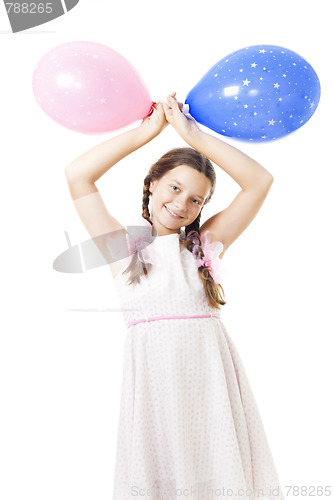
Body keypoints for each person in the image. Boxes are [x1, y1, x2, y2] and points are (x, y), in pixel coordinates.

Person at [65, 92, 284, 500]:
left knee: (218, 478)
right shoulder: (123, 249)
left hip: (211, 393)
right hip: (156, 399)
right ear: (151, 184)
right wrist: (145, 133)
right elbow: (78, 175)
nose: (181, 203)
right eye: (174, 187)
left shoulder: (203, 248)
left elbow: (260, 182)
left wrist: (193, 135)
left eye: (196, 198)